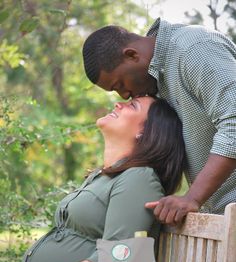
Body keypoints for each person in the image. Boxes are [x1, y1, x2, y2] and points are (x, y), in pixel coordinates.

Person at [0, 96, 186, 262]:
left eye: (132, 105)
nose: (119, 103)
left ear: (146, 132)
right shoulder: (106, 177)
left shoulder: (141, 180)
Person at [82, 18, 236, 225]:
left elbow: (233, 123)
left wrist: (193, 197)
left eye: (120, 85)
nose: (125, 95)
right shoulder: (157, 81)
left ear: (132, 55)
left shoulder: (193, 49)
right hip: (222, 219)